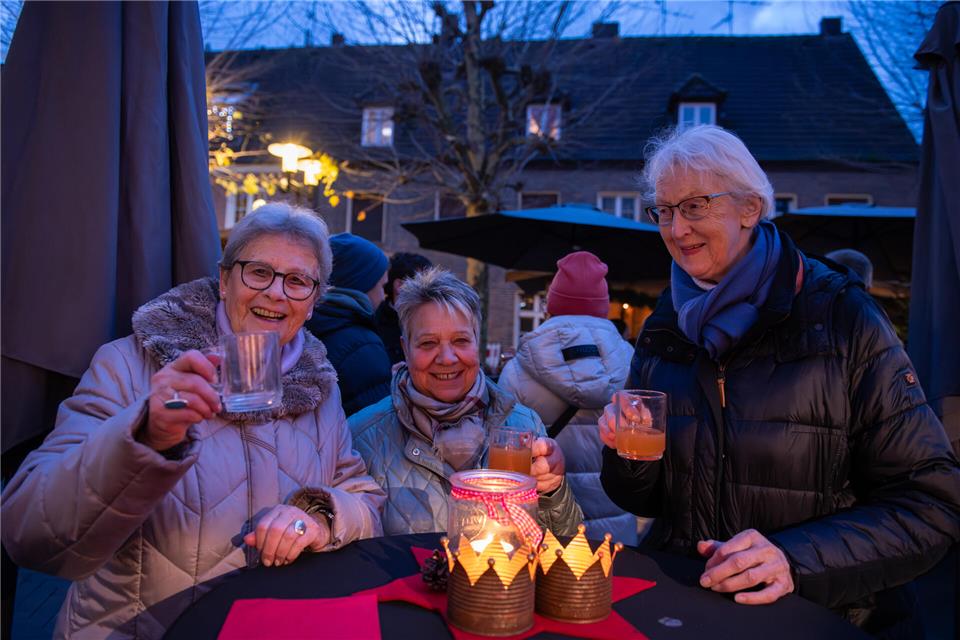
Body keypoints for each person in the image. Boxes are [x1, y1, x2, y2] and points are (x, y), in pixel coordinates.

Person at [598, 125, 960, 635]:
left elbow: (931, 505)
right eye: (664, 210)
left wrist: (793, 561)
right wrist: (628, 455)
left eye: (696, 206)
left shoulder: (841, 317)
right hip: (689, 609)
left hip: (821, 618)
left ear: (750, 208)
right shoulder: (664, 325)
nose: (677, 230)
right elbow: (643, 502)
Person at [0, 203, 385, 639]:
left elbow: (362, 496)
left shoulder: (321, 389)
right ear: (224, 280)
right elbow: (29, 533)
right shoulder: (129, 366)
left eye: (297, 281)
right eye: (258, 272)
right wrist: (146, 435)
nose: (276, 293)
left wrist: (318, 519)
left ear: (313, 303)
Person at [349, 267, 583, 536]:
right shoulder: (362, 436)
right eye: (428, 343)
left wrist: (552, 490)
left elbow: (565, 541)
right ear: (405, 348)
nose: (447, 358)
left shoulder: (523, 424)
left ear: (477, 342)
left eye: (461, 340)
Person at [498, 251, 640, 545]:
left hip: (546, 523)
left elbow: (504, 447)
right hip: (617, 525)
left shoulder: (518, 368)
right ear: (602, 305)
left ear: (553, 302)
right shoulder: (633, 362)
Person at [305, 232, 392, 416]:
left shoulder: (305, 323)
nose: (384, 297)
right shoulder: (363, 344)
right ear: (361, 283)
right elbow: (379, 427)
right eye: (382, 286)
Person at [375, 251, 433, 364]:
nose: (432, 290)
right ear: (399, 286)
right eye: (423, 283)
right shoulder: (374, 323)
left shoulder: (435, 320)